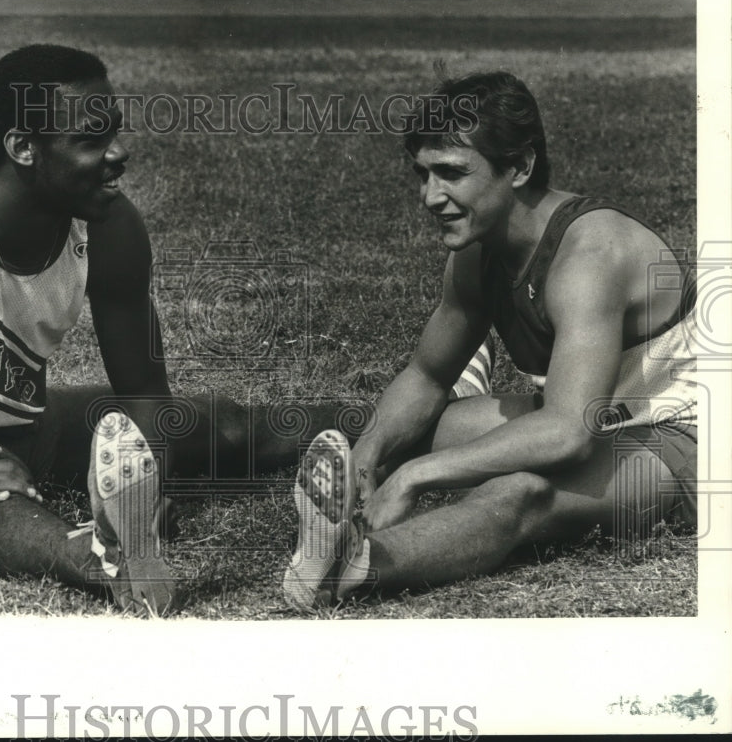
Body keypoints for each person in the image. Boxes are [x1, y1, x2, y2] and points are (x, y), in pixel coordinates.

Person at [0, 44, 342, 616]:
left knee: (218, 424)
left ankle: (388, 433)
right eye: (91, 139)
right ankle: (101, 560)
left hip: (18, 422)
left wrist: (149, 481)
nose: (118, 153)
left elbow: (145, 394)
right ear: (23, 148)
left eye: (114, 132)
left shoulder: (111, 226)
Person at [282, 70, 697, 609]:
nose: (430, 196)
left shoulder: (591, 255)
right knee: (403, 428)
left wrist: (414, 475)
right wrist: (370, 457)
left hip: (681, 427)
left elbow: (568, 433)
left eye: (451, 173)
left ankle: (351, 567)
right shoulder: (476, 252)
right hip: (595, 406)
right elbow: (427, 377)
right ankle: (278, 483)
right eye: (422, 174)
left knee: (523, 493)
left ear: (520, 167)